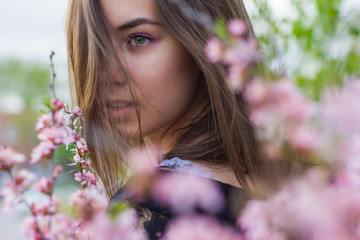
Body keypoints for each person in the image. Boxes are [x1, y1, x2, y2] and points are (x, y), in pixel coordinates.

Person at [67, 0, 265, 239]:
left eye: (138, 39)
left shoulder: (149, 212)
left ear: (201, 41)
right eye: (92, 48)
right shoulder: (294, 190)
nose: (104, 74)